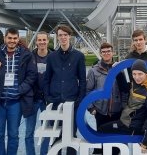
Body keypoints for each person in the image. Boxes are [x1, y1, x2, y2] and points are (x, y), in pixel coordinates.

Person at [0, 28, 37, 155]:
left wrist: (20, 90)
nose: (12, 41)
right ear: (5, 38)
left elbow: (32, 75)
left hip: (16, 103)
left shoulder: (26, 55)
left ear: (18, 39)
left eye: (14, 38)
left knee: (13, 134)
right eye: (10, 38)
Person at [99, 59, 147, 154]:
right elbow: (125, 88)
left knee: (103, 129)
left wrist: (146, 143)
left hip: (132, 127)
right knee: (103, 128)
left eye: (140, 74)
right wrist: (118, 71)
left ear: (146, 73)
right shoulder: (136, 83)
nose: (137, 77)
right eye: (134, 74)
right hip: (127, 122)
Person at [42, 24, 86, 155]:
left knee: (71, 135)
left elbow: (82, 80)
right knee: (56, 135)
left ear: (69, 36)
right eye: (60, 35)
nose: (63, 37)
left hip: (72, 102)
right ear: (57, 37)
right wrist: (48, 97)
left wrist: (79, 99)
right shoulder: (51, 57)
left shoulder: (78, 56)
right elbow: (47, 79)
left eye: (65, 35)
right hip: (55, 101)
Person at [86, 42, 128, 154]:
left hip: (116, 111)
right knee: (102, 141)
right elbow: (88, 90)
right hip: (101, 111)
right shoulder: (94, 71)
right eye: (104, 52)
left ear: (112, 52)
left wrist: (123, 107)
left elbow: (124, 90)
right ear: (100, 53)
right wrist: (91, 108)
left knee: (115, 143)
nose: (106, 53)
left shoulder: (119, 70)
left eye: (108, 51)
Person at [25, 31, 52, 155]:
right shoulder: (29, 57)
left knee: (46, 131)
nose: (42, 42)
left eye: (44, 40)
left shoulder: (53, 57)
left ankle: (43, 153)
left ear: (48, 41)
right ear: (36, 41)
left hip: (47, 100)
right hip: (32, 99)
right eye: (39, 40)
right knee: (29, 132)